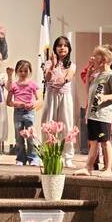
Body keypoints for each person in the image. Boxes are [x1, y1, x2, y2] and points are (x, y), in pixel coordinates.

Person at [75, 46, 112, 177]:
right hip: (93, 114)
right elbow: (88, 91)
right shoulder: (97, 75)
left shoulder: (111, 75)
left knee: (105, 142)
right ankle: (88, 168)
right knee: (93, 142)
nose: (92, 58)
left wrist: (104, 97)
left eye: (96, 56)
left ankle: (108, 169)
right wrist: (89, 74)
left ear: (104, 60)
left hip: (103, 116)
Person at [41, 36, 76, 168]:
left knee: (67, 125)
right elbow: (47, 78)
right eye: (59, 45)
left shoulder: (71, 64)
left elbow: (69, 76)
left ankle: (67, 157)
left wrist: (63, 80)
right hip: (51, 96)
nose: (62, 48)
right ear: (55, 48)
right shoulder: (48, 63)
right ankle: (47, 155)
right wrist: (53, 65)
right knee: (49, 124)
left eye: (65, 46)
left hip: (65, 97)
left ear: (69, 49)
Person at [6, 60, 42, 166]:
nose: (23, 73)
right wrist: (17, 103)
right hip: (18, 112)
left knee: (31, 135)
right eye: (20, 71)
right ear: (17, 72)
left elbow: (39, 99)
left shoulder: (32, 84)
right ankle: (20, 158)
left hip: (29, 112)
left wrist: (33, 104)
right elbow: (8, 102)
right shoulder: (14, 85)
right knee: (19, 137)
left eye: (25, 71)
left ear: (30, 71)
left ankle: (33, 158)